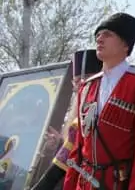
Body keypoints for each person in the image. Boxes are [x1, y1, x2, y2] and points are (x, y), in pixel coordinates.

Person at [62, 13, 135, 190]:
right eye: (98, 35)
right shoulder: (87, 87)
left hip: (117, 183)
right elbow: (78, 148)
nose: (100, 38)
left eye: (108, 34)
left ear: (126, 44)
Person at [31, 49, 103, 190]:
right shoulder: (76, 115)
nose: (77, 88)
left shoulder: (95, 113)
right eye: (75, 82)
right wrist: (58, 144)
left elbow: (60, 168)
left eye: (82, 81)